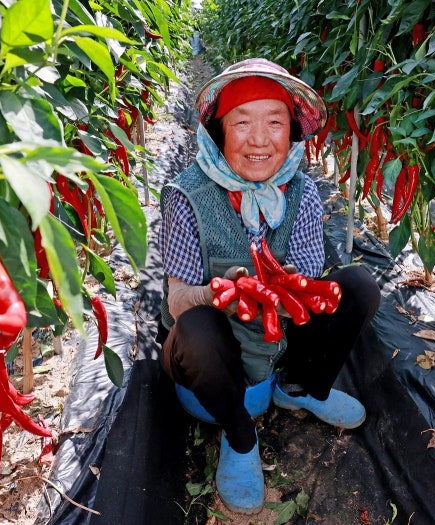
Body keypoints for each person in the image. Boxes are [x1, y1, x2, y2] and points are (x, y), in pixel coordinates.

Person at [156, 58, 381, 514]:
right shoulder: (188, 194)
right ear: (219, 133)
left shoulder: (300, 189)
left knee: (356, 285)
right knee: (197, 325)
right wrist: (216, 292)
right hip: (213, 357)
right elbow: (178, 300)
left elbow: (311, 274)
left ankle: (299, 389)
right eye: (242, 122)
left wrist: (278, 284)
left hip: (275, 337)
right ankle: (240, 439)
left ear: (291, 132)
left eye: (274, 123)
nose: (260, 139)